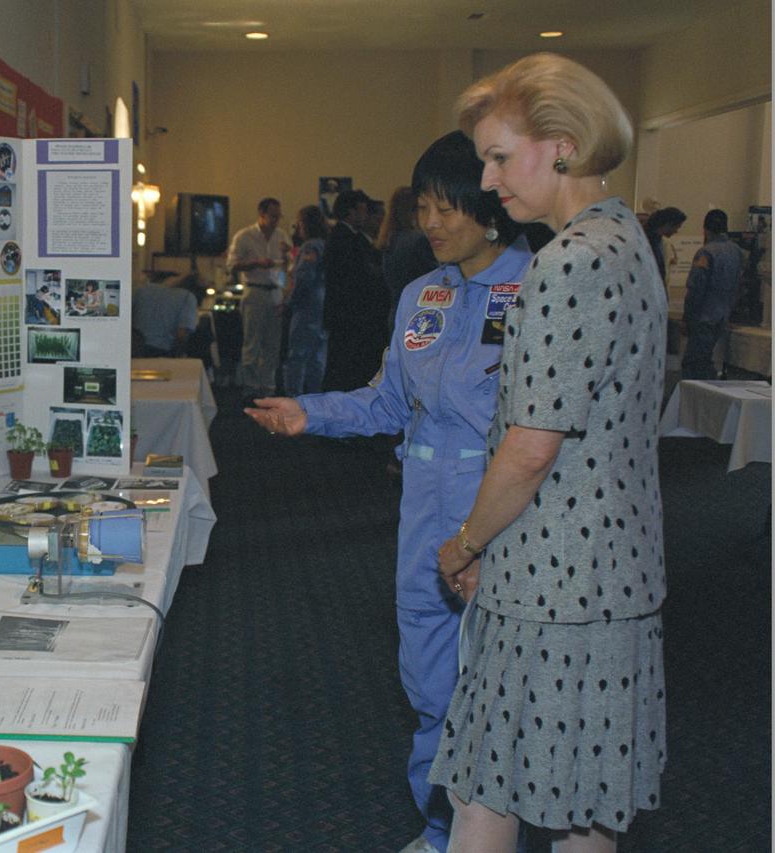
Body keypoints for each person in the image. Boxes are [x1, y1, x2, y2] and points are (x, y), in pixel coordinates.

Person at [246, 131, 530, 853]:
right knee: (429, 685)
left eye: (445, 207)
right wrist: (312, 412)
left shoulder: (536, 286)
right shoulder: (420, 294)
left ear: (486, 205)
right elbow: (386, 402)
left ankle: (497, 834)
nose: (430, 222)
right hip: (421, 512)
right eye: (425, 207)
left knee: (499, 692)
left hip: (500, 514)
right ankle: (440, 830)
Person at [431, 53, 667, 853]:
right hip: (615, 573)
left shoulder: (564, 263)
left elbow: (531, 449)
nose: (489, 182)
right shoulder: (628, 237)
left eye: (500, 156)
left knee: (483, 795)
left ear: (562, 144)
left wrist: (465, 544)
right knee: (584, 807)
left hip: (548, 583)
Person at [323, 189, 390, 391]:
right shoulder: (345, 238)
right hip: (349, 313)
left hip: (347, 313)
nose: (366, 215)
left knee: (344, 364)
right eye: (362, 211)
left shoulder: (346, 237)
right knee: (345, 366)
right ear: (351, 212)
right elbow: (355, 277)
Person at [227, 197, 291, 397]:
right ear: (261, 214)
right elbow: (232, 265)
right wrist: (255, 263)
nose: (276, 221)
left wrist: (288, 259)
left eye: (278, 216)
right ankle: (251, 387)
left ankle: (268, 385)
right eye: (272, 216)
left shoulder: (282, 236)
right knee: (252, 340)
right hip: (255, 289)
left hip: (275, 290)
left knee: (273, 342)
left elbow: (287, 266)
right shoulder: (245, 236)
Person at [681, 208, 743, 379]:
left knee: (693, 364)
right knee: (708, 359)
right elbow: (739, 284)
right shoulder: (736, 251)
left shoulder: (706, 252)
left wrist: (687, 318)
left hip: (703, 316)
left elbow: (696, 288)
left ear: (706, 229)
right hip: (723, 315)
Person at [281, 205, 331, 395]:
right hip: (323, 303)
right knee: (317, 358)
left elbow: (304, 278)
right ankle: (314, 398)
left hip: (308, 306)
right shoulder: (326, 244)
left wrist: (290, 303)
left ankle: (294, 398)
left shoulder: (310, 247)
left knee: (298, 356)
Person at [377, 185, 438, 328]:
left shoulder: (389, 240)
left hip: (397, 311)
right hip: (418, 314)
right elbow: (435, 279)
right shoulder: (418, 240)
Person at [132, 274, 200, 357]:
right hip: (161, 352)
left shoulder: (142, 289)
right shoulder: (187, 297)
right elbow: (181, 334)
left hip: (134, 348)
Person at [643, 206, 686, 284]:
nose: (676, 231)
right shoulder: (647, 241)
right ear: (668, 224)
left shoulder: (659, 241)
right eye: (677, 227)